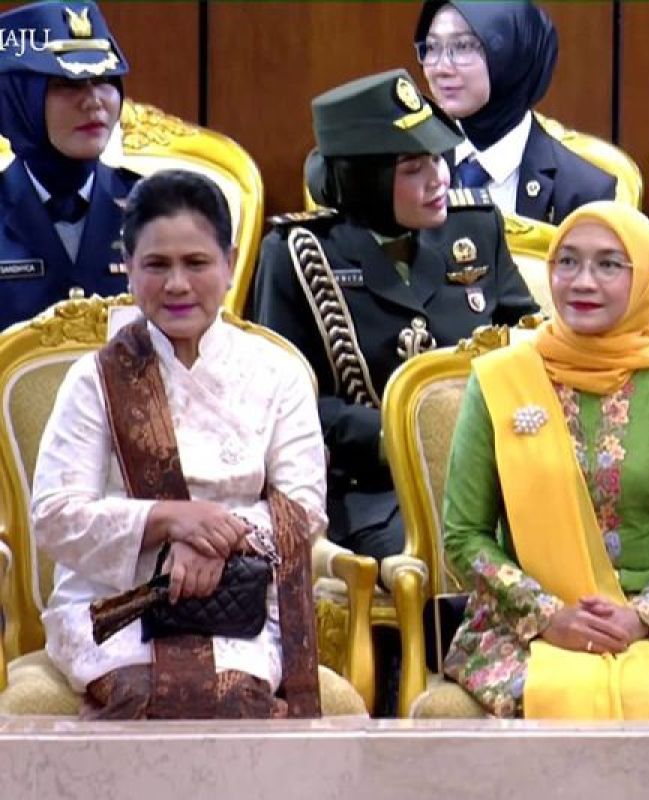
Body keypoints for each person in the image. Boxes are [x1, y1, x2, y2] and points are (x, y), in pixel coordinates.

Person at [435, 201, 649, 720]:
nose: (582, 282)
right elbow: (464, 536)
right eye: (567, 262)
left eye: (608, 265)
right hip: (523, 622)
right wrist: (547, 614)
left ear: (645, 279)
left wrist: (640, 616)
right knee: (557, 695)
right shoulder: (501, 380)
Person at [31, 170, 326, 719]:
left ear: (230, 262)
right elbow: (54, 517)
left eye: (196, 263)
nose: (177, 285)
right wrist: (168, 522)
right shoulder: (95, 379)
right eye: (156, 265)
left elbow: (302, 510)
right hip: (121, 605)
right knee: (144, 695)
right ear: (128, 264)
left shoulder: (276, 374)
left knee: (236, 696)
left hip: (241, 601)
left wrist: (209, 539)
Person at [252, 69, 539, 562]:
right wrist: (398, 438)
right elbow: (283, 404)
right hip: (375, 491)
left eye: (438, 158)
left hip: (498, 472)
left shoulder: (475, 227)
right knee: (452, 561)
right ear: (364, 180)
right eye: (413, 169)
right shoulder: (297, 253)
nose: (439, 180)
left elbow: (532, 343)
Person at [0, 0, 140, 331]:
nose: (94, 101)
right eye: (67, 84)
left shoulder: (156, 206)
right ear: (18, 101)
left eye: (105, 79)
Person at [413, 0, 617, 223]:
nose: (440, 68)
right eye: (432, 47)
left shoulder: (582, 192)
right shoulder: (406, 167)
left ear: (515, 54)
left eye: (463, 47)